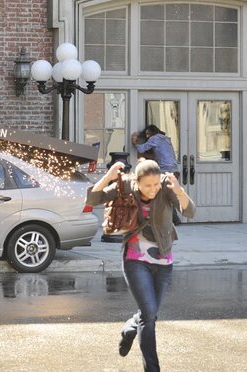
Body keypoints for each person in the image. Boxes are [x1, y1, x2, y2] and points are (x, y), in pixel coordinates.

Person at [87, 159, 196, 372]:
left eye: (156, 184)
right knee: (149, 316)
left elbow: (190, 211)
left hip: (163, 260)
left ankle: (129, 328)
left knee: (150, 313)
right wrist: (108, 177)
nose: (153, 189)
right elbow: (93, 198)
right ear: (137, 182)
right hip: (135, 259)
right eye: (148, 185)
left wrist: (179, 191)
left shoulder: (166, 187)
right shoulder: (126, 185)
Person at [132, 125, 182, 225]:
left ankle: (159, 219)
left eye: (147, 134)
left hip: (165, 171)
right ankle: (174, 219)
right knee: (166, 196)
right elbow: (160, 155)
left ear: (151, 132)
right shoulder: (165, 139)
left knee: (157, 194)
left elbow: (141, 149)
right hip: (174, 170)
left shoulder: (155, 138)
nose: (147, 137)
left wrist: (134, 142)